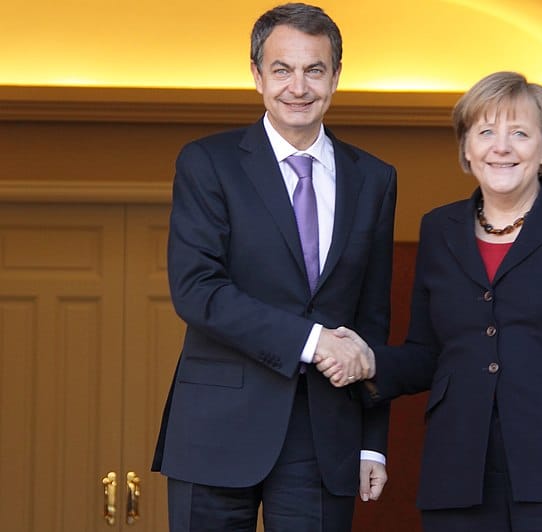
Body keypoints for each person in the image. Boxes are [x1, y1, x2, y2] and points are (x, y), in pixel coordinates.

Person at [320, 71, 542, 531]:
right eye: (486, 132)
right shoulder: (439, 229)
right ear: (467, 148)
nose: (502, 147)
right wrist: (368, 361)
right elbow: (427, 352)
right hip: (459, 474)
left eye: (520, 132)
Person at [151, 3, 397, 531]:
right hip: (217, 431)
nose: (298, 87)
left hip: (326, 434)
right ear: (257, 75)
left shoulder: (374, 179)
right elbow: (198, 291)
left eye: (315, 69)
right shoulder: (207, 163)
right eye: (282, 69)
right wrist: (312, 340)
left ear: (336, 76)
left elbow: (371, 320)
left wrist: (372, 443)